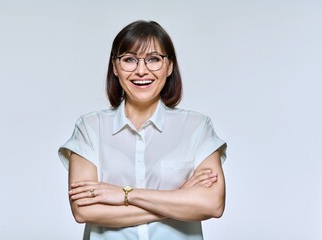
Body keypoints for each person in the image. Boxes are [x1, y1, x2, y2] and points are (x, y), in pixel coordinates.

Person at [58, 20, 227, 240]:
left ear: (170, 67)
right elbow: (84, 210)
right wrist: (178, 198)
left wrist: (125, 195)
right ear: (115, 68)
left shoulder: (197, 127)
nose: (141, 70)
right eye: (129, 59)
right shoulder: (90, 128)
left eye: (154, 59)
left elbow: (212, 205)